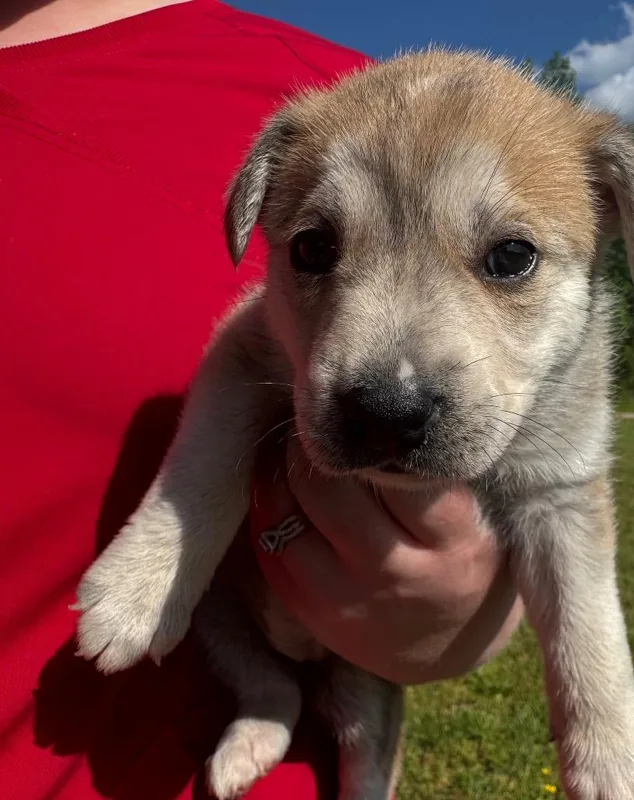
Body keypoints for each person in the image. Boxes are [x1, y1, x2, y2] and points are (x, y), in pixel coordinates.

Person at [0, 1, 524, 797]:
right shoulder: (321, 121)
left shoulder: (353, 93)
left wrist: (467, 615)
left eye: (506, 257)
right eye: (315, 250)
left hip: (193, 748)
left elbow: (515, 541)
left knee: (360, 722)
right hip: (214, 646)